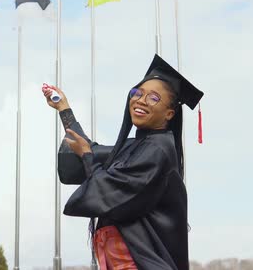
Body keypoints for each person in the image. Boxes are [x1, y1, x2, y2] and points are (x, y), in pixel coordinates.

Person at [42, 54, 203, 270]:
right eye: (138, 93)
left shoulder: (157, 150)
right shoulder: (135, 147)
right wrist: (64, 109)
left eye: (154, 98)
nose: (141, 100)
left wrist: (88, 156)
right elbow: (88, 149)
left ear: (169, 114)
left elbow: (105, 185)